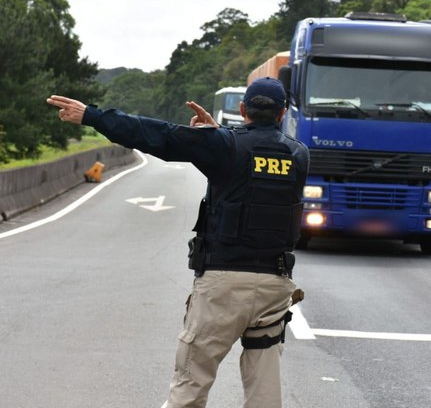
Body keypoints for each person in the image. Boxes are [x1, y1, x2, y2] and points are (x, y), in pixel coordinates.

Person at [46, 77, 309, 408]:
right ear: (283, 113)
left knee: (190, 387)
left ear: (242, 109)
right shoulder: (299, 155)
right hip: (274, 287)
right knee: (265, 393)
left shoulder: (225, 146)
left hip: (223, 288)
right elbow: (254, 171)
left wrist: (92, 115)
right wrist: (218, 137)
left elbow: (159, 136)